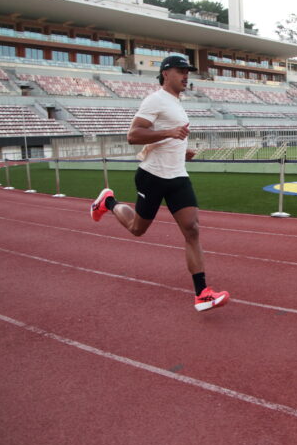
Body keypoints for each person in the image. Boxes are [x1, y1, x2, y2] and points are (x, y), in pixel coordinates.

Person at [90, 56, 229, 312]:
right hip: (152, 176)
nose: (186, 76)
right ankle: (108, 201)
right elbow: (133, 135)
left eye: (188, 72)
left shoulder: (177, 103)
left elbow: (171, 136)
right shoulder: (156, 99)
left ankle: (202, 293)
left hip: (177, 176)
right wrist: (169, 133)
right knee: (137, 228)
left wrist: (182, 150)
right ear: (166, 73)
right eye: (180, 71)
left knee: (192, 229)